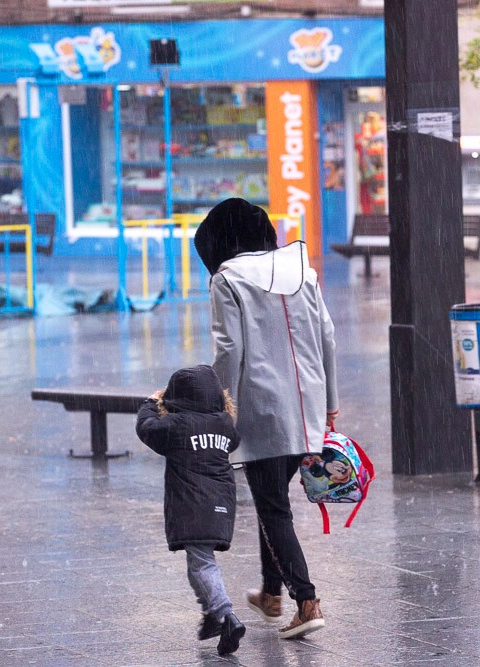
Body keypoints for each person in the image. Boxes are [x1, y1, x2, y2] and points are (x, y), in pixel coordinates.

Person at [194, 198, 338, 640]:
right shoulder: (303, 270)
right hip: (307, 404)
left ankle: (306, 599)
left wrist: (218, 405)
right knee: (271, 496)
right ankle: (272, 592)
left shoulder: (227, 280)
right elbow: (327, 336)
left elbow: (229, 350)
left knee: (272, 505)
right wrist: (330, 403)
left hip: (261, 406)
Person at [135, 365, 246, 656]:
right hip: (221, 501)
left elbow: (146, 430)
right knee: (198, 562)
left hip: (193, 504)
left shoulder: (177, 426)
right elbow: (233, 441)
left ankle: (226, 615)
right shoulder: (224, 423)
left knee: (202, 564)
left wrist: (149, 404)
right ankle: (213, 616)